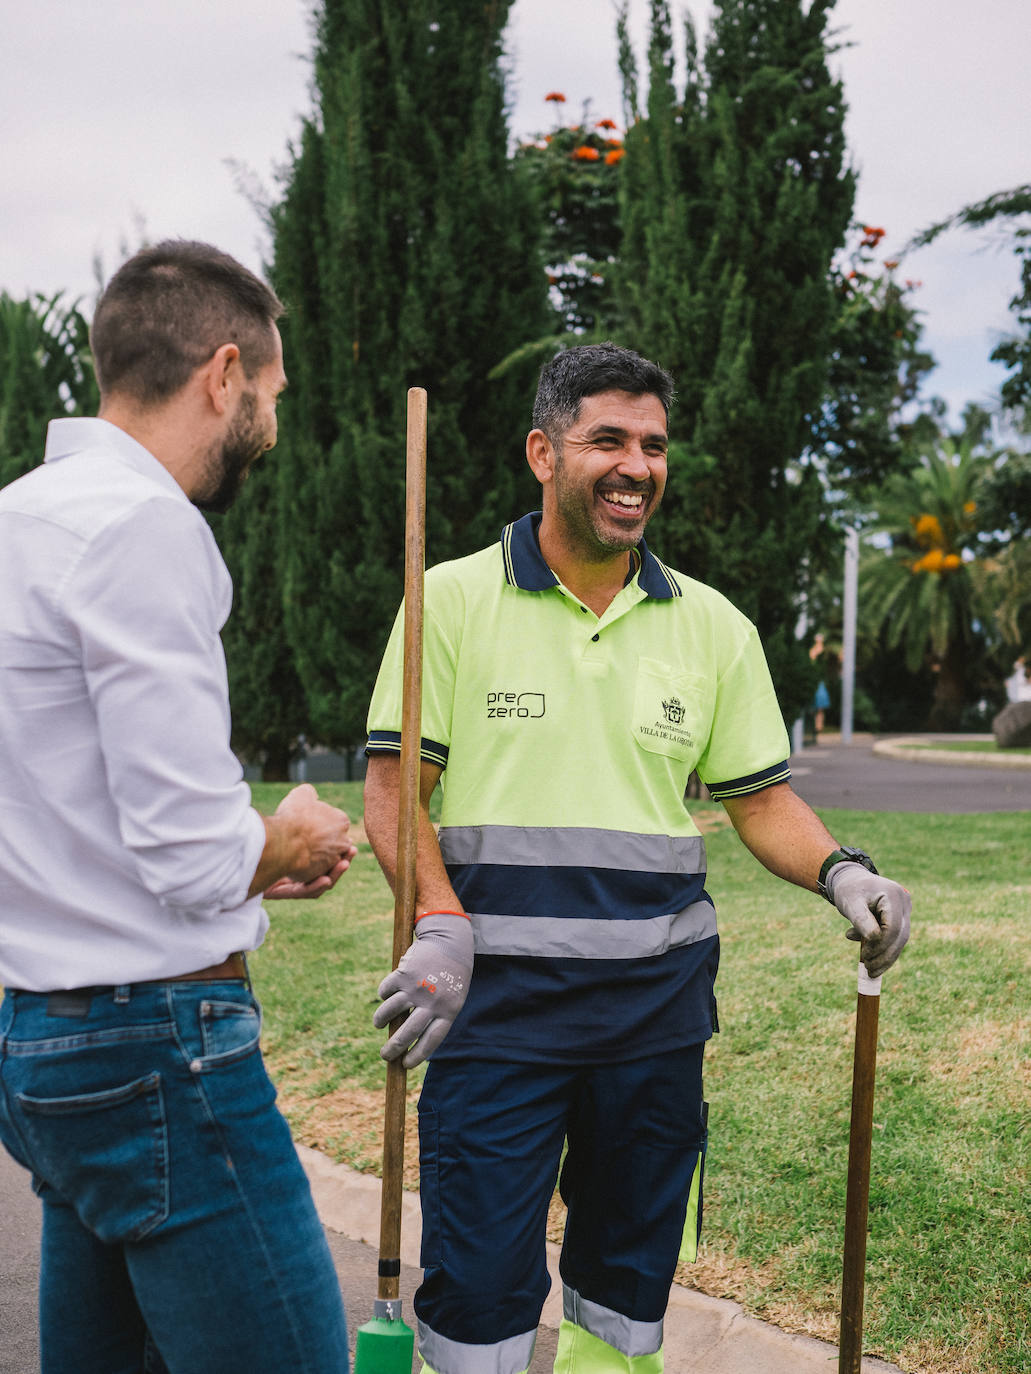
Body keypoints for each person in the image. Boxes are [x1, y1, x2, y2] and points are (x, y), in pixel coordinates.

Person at [363, 342, 911, 1374]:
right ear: (541, 451)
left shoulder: (708, 626)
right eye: (606, 439)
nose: (634, 466)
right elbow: (394, 793)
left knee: (623, 1289)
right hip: (494, 1015)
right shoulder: (450, 601)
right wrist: (436, 920)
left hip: (652, 1021)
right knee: (477, 1290)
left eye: (652, 445)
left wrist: (844, 870)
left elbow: (760, 800)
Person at [0, 241, 356, 1374]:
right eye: (273, 392)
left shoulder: (18, 521)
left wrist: (246, 856)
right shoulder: (146, 529)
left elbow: (71, 797)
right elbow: (193, 852)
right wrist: (284, 836)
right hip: (160, 1054)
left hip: (37, 1038)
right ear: (222, 373)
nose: (273, 419)